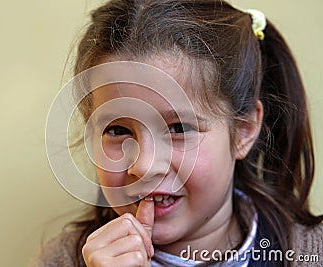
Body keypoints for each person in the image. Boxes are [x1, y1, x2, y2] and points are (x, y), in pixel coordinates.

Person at [35, 0, 323, 266]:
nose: (144, 166)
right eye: (118, 130)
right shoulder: (65, 260)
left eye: (178, 128)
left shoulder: (309, 253)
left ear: (243, 132)